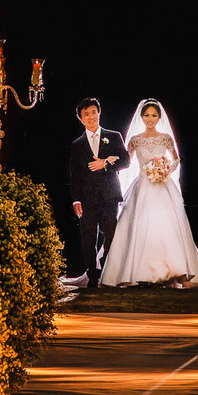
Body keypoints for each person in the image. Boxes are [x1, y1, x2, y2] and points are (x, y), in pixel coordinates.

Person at [100, 99, 198, 288]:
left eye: (153, 115)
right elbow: (126, 162)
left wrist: (166, 168)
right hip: (142, 186)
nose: (150, 119)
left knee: (166, 226)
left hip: (163, 186)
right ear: (141, 117)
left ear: (159, 117)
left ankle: (175, 271)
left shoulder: (166, 138)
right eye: (147, 115)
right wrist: (112, 159)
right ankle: (137, 273)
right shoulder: (135, 139)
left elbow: (176, 160)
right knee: (141, 225)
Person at [68, 97, 131, 287]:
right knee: (88, 237)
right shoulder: (77, 144)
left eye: (93, 112)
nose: (91, 117)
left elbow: (126, 161)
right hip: (86, 197)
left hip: (109, 195)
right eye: (86, 114)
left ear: (99, 113)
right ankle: (92, 275)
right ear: (81, 118)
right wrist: (76, 200)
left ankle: (106, 269)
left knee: (111, 233)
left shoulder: (113, 136)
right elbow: (75, 175)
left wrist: (105, 164)